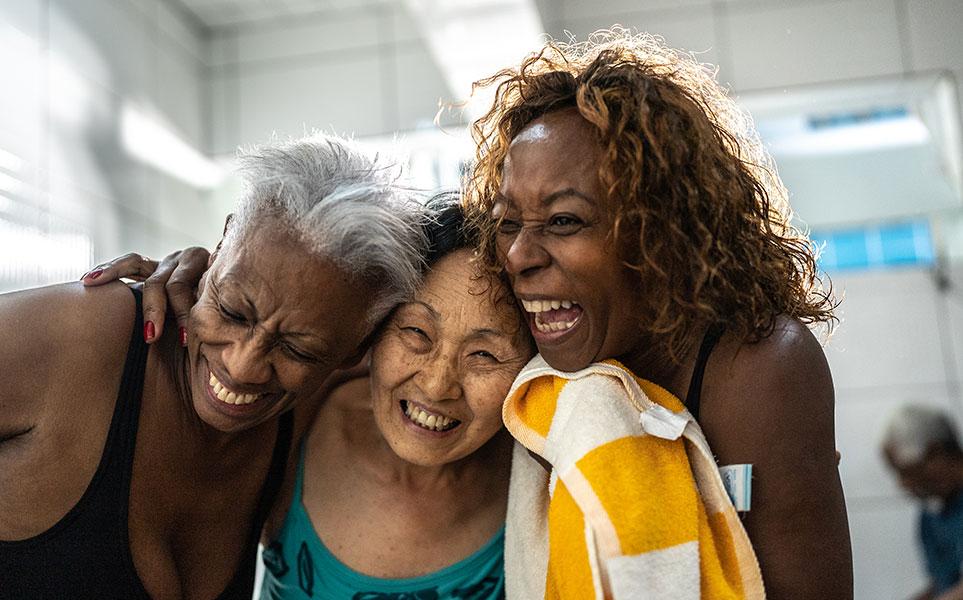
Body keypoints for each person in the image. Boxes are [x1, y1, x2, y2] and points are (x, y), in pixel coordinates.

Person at [463, 29, 852, 598]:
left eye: (565, 220)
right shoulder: (525, 364)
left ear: (662, 231)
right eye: (507, 223)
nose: (518, 256)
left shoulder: (757, 370)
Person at [0, 134, 426, 599]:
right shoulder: (80, 335)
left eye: (298, 351)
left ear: (354, 351)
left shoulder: (313, 409)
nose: (243, 367)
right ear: (218, 248)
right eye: (232, 311)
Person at [86, 195, 534, 600]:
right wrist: (200, 283)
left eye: (485, 355)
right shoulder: (297, 415)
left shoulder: (544, 471)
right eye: (416, 332)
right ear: (374, 331)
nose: (437, 385)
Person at [883, 405, 963, 600]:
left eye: (905, 472)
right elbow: (944, 582)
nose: (903, 484)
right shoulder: (930, 516)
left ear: (936, 453)